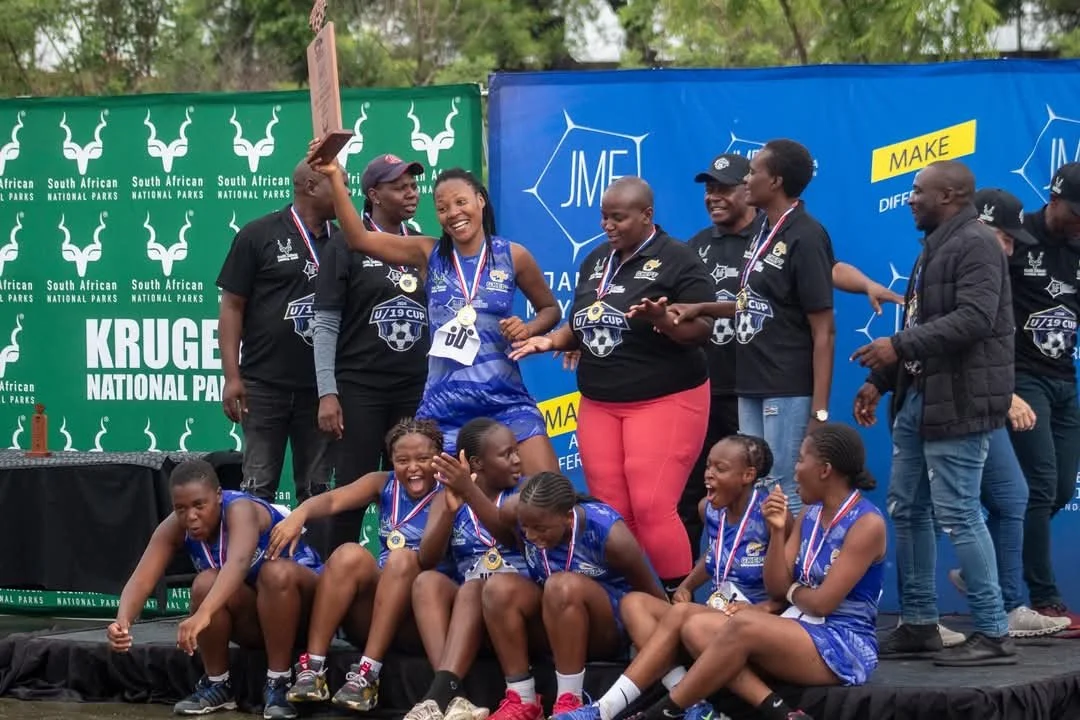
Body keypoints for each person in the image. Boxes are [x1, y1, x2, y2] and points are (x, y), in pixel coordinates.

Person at [682, 154, 901, 555]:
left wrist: (818, 412)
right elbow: (755, 302)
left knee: (784, 488)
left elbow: (825, 319)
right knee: (757, 487)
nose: (746, 181)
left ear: (776, 180)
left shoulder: (803, 232)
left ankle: (792, 585)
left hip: (782, 381)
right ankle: (754, 582)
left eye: (750, 174)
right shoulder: (761, 231)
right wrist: (699, 309)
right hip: (746, 380)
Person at [510, 176, 715, 596]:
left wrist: (663, 321)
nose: (608, 225)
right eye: (604, 217)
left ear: (647, 215)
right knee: (612, 511)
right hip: (601, 401)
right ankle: (631, 604)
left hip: (664, 398)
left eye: (618, 217)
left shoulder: (678, 259)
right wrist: (551, 339)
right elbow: (583, 323)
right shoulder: (597, 260)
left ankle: (677, 605)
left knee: (652, 507)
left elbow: (704, 329)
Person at [310, 143, 561, 474]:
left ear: (480, 202)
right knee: (444, 512)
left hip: (505, 401)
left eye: (461, 202)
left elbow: (550, 310)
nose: (453, 213)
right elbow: (358, 238)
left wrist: (529, 329)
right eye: (442, 208)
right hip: (444, 409)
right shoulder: (427, 253)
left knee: (547, 492)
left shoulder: (513, 255)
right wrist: (333, 176)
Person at [853, 160, 1017, 665]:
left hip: (961, 397)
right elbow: (926, 319)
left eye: (918, 191)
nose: (910, 199)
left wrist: (896, 346)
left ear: (948, 195)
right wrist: (880, 380)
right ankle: (920, 621)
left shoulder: (976, 244)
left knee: (960, 512)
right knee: (909, 508)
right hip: (921, 396)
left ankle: (993, 630)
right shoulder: (937, 245)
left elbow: (973, 319)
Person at [621, 424, 886, 720]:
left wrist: (791, 591)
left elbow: (823, 603)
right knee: (698, 627)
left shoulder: (866, 524)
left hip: (843, 643)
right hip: (797, 625)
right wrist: (775, 532)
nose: (795, 470)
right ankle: (781, 714)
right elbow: (777, 586)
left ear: (824, 470)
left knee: (742, 624)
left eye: (800, 460)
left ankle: (662, 714)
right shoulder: (809, 514)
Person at [554, 435, 790, 720]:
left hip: (753, 626)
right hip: (713, 617)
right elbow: (716, 554)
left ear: (747, 475)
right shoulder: (710, 509)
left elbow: (791, 586)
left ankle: (603, 711)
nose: (709, 474)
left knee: (679, 615)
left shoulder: (772, 517)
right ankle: (695, 708)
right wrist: (687, 585)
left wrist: (759, 609)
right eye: (708, 466)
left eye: (720, 468)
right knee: (633, 603)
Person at [942, 189, 1069, 638]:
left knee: (1031, 494)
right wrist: (1007, 389)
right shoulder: (962, 257)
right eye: (1007, 240)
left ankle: (998, 596)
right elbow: (961, 327)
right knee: (938, 508)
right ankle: (1029, 599)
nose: (1012, 250)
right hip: (987, 390)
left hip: (1032, 386)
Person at [106, 460, 323, 720]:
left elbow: (239, 562)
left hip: (308, 615)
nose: (191, 516)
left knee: (274, 573)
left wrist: (203, 613)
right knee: (206, 583)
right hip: (262, 621)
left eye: (199, 505)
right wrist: (122, 621)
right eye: (181, 508)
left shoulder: (240, 509)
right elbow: (142, 578)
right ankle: (218, 684)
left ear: (218, 496)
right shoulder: (176, 525)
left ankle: (279, 681)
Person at [268, 418, 451, 712]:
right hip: (379, 608)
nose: (413, 467)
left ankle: (368, 674)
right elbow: (332, 502)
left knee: (401, 557)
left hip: (423, 615)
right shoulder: (384, 483)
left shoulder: (449, 491)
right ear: (391, 460)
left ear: (439, 458)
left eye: (423, 458)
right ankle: (313, 670)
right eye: (402, 460)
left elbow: (429, 558)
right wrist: (300, 513)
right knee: (348, 554)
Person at [312, 154, 431, 552]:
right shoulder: (346, 242)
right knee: (351, 493)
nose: (411, 192)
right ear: (374, 194)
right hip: (361, 388)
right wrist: (327, 391)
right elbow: (325, 321)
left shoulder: (421, 241)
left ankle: (404, 585)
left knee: (415, 490)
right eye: (400, 186)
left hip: (414, 388)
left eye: (414, 185)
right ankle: (335, 583)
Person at [481, 471, 667, 720]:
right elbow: (509, 534)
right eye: (525, 528)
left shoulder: (610, 535)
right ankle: (522, 700)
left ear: (568, 518)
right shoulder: (514, 513)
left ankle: (569, 701)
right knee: (498, 588)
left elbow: (654, 598)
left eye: (540, 529)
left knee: (561, 586)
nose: (531, 537)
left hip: (607, 631)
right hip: (556, 622)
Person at [217, 158, 337, 505]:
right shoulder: (258, 234)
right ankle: (253, 558)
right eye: (337, 183)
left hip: (322, 389)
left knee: (317, 489)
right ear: (311, 187)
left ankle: (315, 560)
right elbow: (231, 307)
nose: (345, 191)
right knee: (257, 486)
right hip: (263, 385)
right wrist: (231, 376)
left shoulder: (344, 242)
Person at [403, 418, 531, 720]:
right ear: (477, 463)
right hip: (470, 617)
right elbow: (428, 559)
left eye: (516, 451)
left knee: (483, 587)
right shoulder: (447, 496)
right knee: (428, 582)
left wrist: (470, 494)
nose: (517, 460)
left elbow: (510, 536)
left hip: (519, 612)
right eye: (506, 454)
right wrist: (449, 511)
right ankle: (450, 698)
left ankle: (436, 697)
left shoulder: (526, 491)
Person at [1005, 164, 1080, 626]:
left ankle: (992, 569)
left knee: (1060, 486)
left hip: (1065, 379)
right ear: (1052, 200)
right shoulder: (1017, 238)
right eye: (1075, 213)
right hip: (1021, 378)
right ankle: (1045, 597)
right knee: (1039, 485)